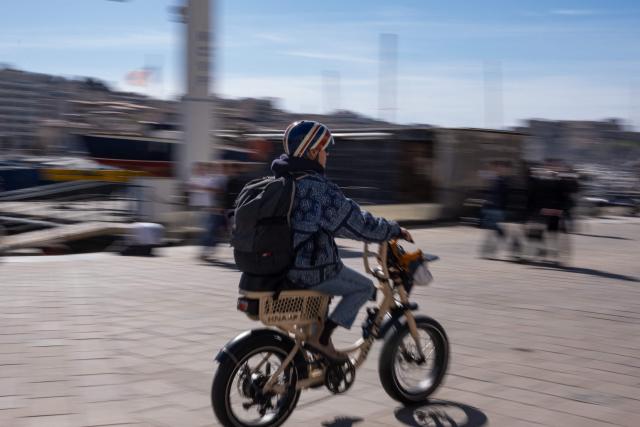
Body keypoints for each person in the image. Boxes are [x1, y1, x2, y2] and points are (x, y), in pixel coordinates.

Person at [270, 120, 412, 359]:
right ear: (312, 152)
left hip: (282, 268)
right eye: (324, 149)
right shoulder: (316, 188)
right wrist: (393, 230)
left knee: (333, 285)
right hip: (311, 269)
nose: (327, 154)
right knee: (364, 287)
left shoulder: (282, 181)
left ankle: (315, 355)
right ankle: (322, 340)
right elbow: (357, 223)